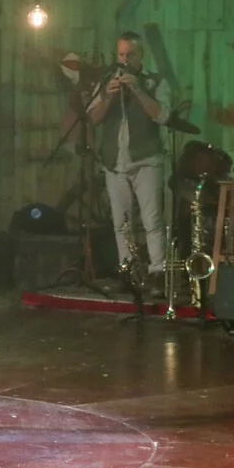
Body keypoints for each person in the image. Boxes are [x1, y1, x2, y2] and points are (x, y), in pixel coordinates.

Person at [87, 31, 170, 296]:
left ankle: (158, 273)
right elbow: (93, 119)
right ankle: (128, 273)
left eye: (130, 54)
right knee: (120, 222)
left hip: (146, 160)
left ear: (140, 56)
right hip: (115, 161)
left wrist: (137, 89)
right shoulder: (106, 81)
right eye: (120, 54)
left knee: (152, 219)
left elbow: (162, 115)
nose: (124, 59)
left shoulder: (155, 81)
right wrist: (108, 97)